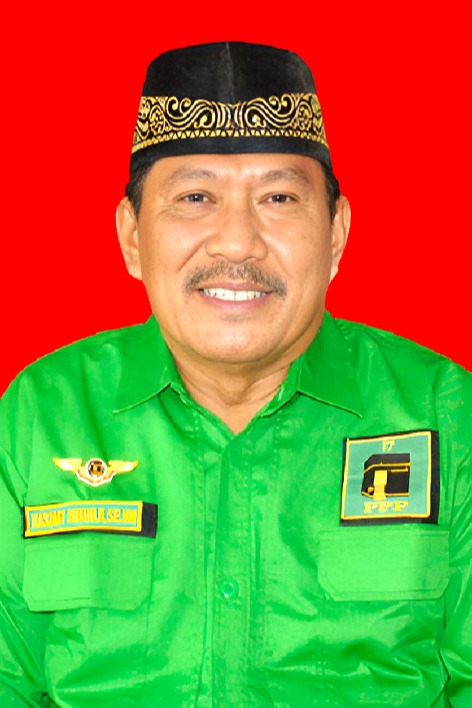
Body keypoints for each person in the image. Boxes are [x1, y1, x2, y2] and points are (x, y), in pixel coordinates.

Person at [0, 41, 470, 708]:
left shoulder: (445, 412)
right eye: (195, 196)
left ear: (336, 232)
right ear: (131, 236)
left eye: (278, 197)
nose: (237, 242)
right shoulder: (43, 411)